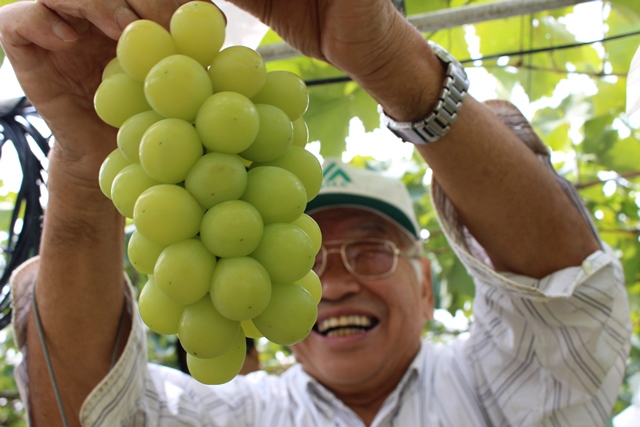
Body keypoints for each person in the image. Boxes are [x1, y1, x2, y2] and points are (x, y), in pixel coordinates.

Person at [0, 0, 631, 426]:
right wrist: (87, 163)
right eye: (306, 254)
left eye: (372, 249)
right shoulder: (239, 413)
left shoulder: (495, 390)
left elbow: (568, 302)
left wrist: (394, 62)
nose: (332, 282)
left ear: (427, 280)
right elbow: (83, 409)